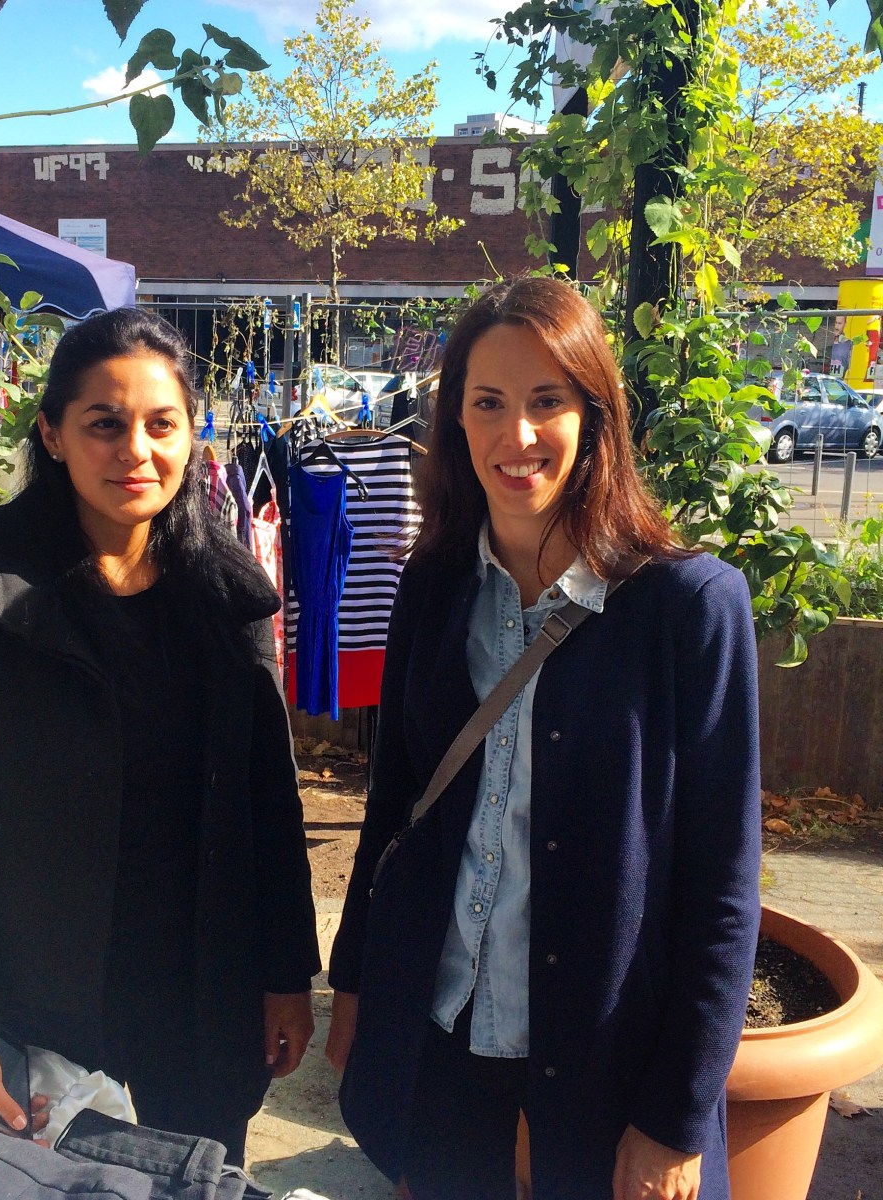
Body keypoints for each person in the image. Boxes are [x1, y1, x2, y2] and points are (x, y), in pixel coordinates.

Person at [324, 277, 761, 1200]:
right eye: (487, 402)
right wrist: (356, 984)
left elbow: (722, 887)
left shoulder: (689, 608)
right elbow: (395, 805)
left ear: (594, 415)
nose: (515, 435)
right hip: (441, 1021)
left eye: (546, 401)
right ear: (455, 419)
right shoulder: (432, 586)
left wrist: (677, 1115)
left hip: (603, 1049)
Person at [0, 307, 320, 1165]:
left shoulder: (228, 596)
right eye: (104, 424)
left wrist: (286, 976)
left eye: (162, 424)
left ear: (192, 435)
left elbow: (268, 806)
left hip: (201, 1005)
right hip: (35, 1013)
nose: (136, 451)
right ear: (53, 435)